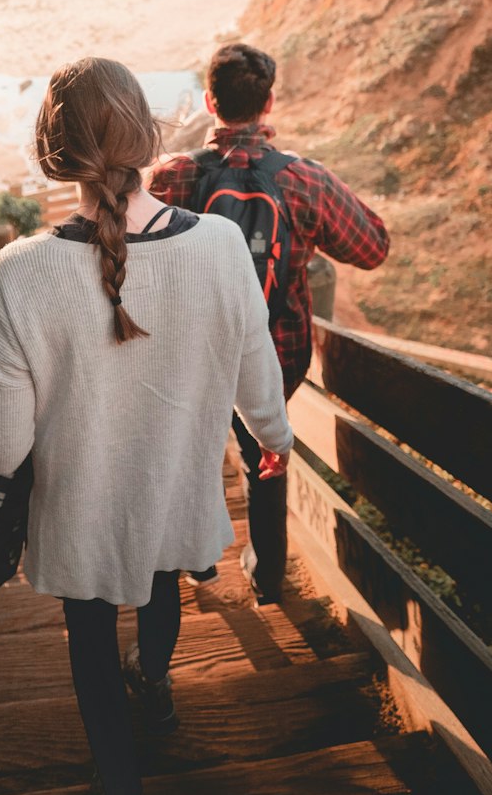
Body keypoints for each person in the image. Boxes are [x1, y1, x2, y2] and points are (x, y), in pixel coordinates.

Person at [0, 56, 292, 795]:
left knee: (88, 638)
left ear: (54, 155)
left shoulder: (20, 274)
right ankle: (155, 683)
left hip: (79, 516)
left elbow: (2, 448)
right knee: (157, 583)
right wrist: (275, 441)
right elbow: (261, 390)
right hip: (176, 496)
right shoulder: (220, 247)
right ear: (146, 139)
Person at [149, 41, 389, 604]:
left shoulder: (171, 177)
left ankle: (198, 561)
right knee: (266, 453)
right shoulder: (305, 180)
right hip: (276, 352)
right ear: (269, 103)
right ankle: (267, 575)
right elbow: (373, 247)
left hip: (192, 353)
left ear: (210, 102)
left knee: (195, 447)